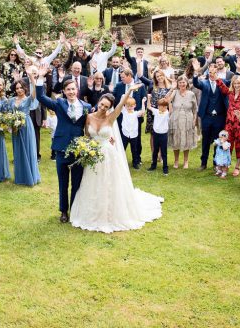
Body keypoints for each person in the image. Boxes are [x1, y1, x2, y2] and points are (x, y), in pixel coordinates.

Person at [69, 87, 163, 233]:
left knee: (109, 183)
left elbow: (120, 105)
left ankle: (111, 213)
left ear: (109, 107)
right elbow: (87, 135)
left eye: (106, 106)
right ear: (98, 102)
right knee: (92, 183)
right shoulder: (89, 117)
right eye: (101, 105)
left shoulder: (111, 117)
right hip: (93, 155)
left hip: (108, 156)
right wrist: (86, 149)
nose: (102, 108)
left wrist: (130, 90)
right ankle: (93, 212)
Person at [34, 64, 92, 222]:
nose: (71, 92)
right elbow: (41, 97)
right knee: (63, 182)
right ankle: (63, 211)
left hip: (79, 150)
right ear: (64, 92)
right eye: (68, 90)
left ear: (77, 90)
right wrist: (40, 77)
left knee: (77, 183)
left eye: (73, 89)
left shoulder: (86, 107)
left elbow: (92, 125)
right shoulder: (59, 104)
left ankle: (75, 209)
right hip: (61, 148)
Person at [191, 60, 229, 171]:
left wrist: (239, 70)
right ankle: (203, 163)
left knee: (218, 140)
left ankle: (216, 162)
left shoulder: (223, 82)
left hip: (219, 117)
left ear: (218, 72)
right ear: (208, 72)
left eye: (214, 72)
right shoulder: (204, 83)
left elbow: (235, 81)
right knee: (206, 140)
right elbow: (195, 83)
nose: (212, 74)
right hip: (206, 117)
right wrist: (196, 73)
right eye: (211, 72)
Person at [112, 69, 148, 169]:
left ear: (129, 76)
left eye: (123, 77)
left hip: (135, 116)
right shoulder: (119, 85)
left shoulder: (140, 86)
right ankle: (119, 159)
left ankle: (137, 159)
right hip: (122, 117)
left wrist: (141, 112)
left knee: (136, 140)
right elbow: (113, 97)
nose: (121, 78)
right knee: (121, 139)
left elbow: (144, 99)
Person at [8, 79, 41, 186]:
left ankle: (30, 176)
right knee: (18, 150)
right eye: (17, 88)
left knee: (28, 149)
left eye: (21, 88)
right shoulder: (12, 100)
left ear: (25, 88)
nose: (19, 90)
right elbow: (9, 112)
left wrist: (32, 78)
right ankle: (20, 176)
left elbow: (35, 91)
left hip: (26, 125)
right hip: (15, 127)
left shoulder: (28, 99)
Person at [168, 75, 198, 169]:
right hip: (175, 119)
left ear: (187, 83)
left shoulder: (191, 94)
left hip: (187, 119)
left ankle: (186, 161)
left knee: (186, 140)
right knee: (175, 140)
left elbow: (195, 109)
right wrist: (171, 89)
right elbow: (167, 100)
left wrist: (194, 120)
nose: (182, 84)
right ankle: (176, 161)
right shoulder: (175, 92)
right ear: (178, 84)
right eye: (180, 82)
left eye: (184, 82)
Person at [147, 97, 172, 174]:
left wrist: (169, 102)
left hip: (163, 135)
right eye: (158, 106)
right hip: (156, 134)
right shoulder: (156, 111)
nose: (159, 107)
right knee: (155, 151)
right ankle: (153, 165)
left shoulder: (167, 113)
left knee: (164, 152)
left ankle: (165, 167)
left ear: (165, 107)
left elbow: (171, 110)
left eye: (161, 106)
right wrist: (148, 98)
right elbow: (148, 107)